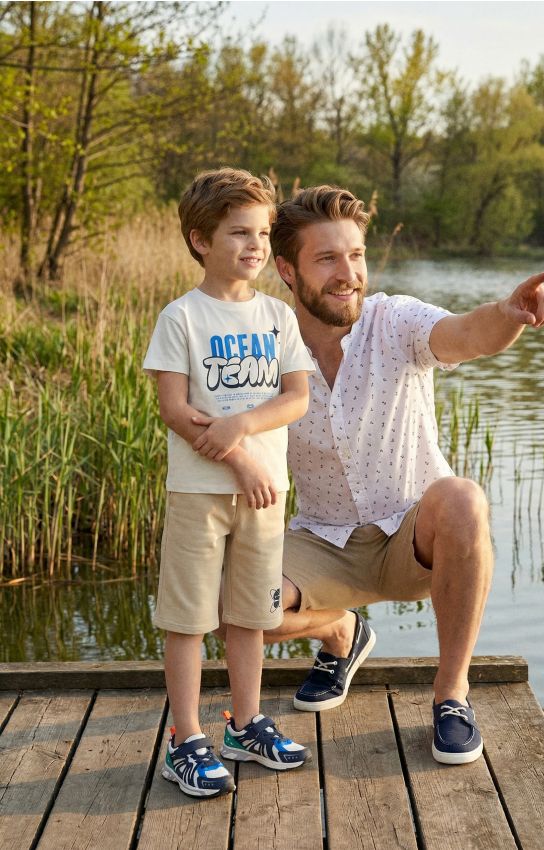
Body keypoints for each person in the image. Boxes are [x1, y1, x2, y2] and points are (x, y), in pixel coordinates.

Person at [256, 185, 544, 765]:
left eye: (356, 255)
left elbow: (468, 335)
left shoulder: (393, 320)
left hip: (414, 540)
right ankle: (341, 633)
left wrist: (509, 313)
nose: (348, 274)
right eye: (327, 259)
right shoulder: (266, 345)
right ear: (287, 271)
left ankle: (451, 697)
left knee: (463, 499)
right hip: (324, 542)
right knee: (235, 606)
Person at [143, 168, 315, 798]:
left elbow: (295, 398)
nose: (256, 245)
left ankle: (245, 726)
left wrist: (242, 425)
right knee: (188, 618)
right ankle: (184, 738)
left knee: (250, 614)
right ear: (200, 239)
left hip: (265, 495)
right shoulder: (182, 317)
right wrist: (238, 457)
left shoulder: (277, 315)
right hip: (200, 492)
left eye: (263, 233)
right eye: (239, 232)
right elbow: (174, 407)